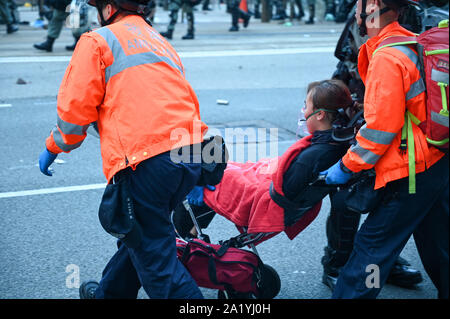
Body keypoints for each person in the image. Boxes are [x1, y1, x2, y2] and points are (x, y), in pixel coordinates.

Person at [38, 0, 209, 299]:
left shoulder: (97, 40)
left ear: (108, 8)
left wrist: (54, 146)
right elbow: (183, 98)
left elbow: (76, 112)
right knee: (142, 233)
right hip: (191, 153)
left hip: (148, 160)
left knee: (158, 264)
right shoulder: (160, 41)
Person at [321, 0, 448, 299]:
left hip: (411, 171)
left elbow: (380, 131)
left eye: (358, 6)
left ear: (373, 7)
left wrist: (346, 166)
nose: (354, 12)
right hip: (437, 162)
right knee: (439, 245)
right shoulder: (410, 41)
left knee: (371, 252)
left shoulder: (387, 57)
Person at [174, 80, 356, 247]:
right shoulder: (336, 144)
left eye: (306, 105)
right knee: (213, 166)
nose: (304, 111)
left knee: (201, 175)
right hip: (273, 185)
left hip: (266, 195)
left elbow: (284, 191)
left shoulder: (315, 155)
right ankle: (189, 233)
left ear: (320, 115)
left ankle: (181, 236)